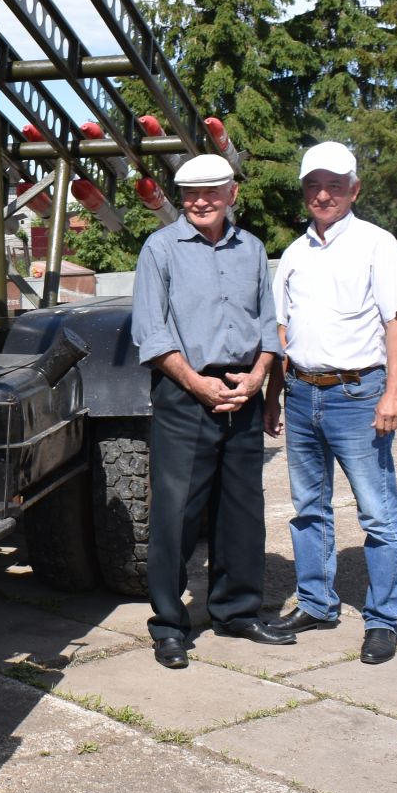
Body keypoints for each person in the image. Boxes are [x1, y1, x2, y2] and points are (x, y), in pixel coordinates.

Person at [130, 153, 293, 669]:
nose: (200, 201)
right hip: (185, 391)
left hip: (241, 389)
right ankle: (169, 624)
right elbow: (150, 331)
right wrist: (196, 384)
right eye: (191, 194)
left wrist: (261, 375)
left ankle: (237, 612)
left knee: (242, 509)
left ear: (232, 195)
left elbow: (270, 322)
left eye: (212, 191)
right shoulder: (160, 249)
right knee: (177, 512)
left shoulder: (253, 250)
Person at [267, 142, 397, 664]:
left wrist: (394, 392)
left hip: (358, 396)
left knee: (377, 513)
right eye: (313, 185)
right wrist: (274, 397)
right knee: (309, 509)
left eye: (334, 184)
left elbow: (396, 321)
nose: (323, 194)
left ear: (354, 189)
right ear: (304, 190)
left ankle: (383, 619)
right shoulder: (294, 254)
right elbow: (280, 331)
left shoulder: (378, 245)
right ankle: (316, 602)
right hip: (302, 393)